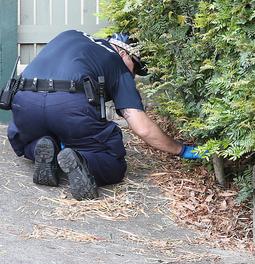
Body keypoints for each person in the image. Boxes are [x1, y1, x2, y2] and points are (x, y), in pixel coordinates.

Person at [6, 30, 202, 200]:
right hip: (68, 106)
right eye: (134, 66)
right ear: (124, 53)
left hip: (24, 99)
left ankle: (46, 147)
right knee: (113, 160)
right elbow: (141, 127)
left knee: (26, 139)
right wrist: (180, 149)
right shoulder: (117, 64)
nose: (132, 74)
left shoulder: (71, 35)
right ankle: (84, 160)